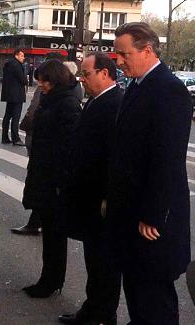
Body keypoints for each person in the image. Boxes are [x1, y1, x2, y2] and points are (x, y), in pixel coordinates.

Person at [108, 22, 192, 324]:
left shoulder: (169, 90)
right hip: (131, 211)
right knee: (136, 289)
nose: (119, 61)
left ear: (147, 49)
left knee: (155, 297)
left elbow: (167, 158)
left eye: (124, 54)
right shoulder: (138, 85)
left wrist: (153, 214)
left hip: (153, 219)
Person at [58, 52, 123, 325]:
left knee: (103, 263)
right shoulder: (98, 100)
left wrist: (107, 195)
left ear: (104, 74)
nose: (82, 79)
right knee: (94, 261)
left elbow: (113, 156)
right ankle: (93, 309)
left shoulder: (114, 103)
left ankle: (101, 314)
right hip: (88, 195)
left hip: (99, 199)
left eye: (87, 74)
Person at [21, 59, 81, 298]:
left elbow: (68, 147)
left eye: (44, 81)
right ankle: (48, 278)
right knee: (50, 233)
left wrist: (60, 182)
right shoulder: (52, 100)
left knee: (55, 236)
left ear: (55, 79)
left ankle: (52, 281)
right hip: (44, 175)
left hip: (54, 181)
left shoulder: (67, 104)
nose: (41, 85)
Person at [14, 53, 66, 236]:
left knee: (41, 185)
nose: (40, 85)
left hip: (44, 151)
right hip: (46, 153)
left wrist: (25, 125)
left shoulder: (53, 95)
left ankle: (37, 221)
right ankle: (36, 220)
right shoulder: (66, 91)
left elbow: (33, 111)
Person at [1, 49, 28, 146]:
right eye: (22, 56)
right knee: (16, 117)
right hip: (17, 94)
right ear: (16, 56)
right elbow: (23, 80)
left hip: (9, 94)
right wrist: (26, 79)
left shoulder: (8, 64)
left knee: (7, 116)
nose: (23, 58)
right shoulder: (17, 65)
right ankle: (15, 138)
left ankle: (4, 137)